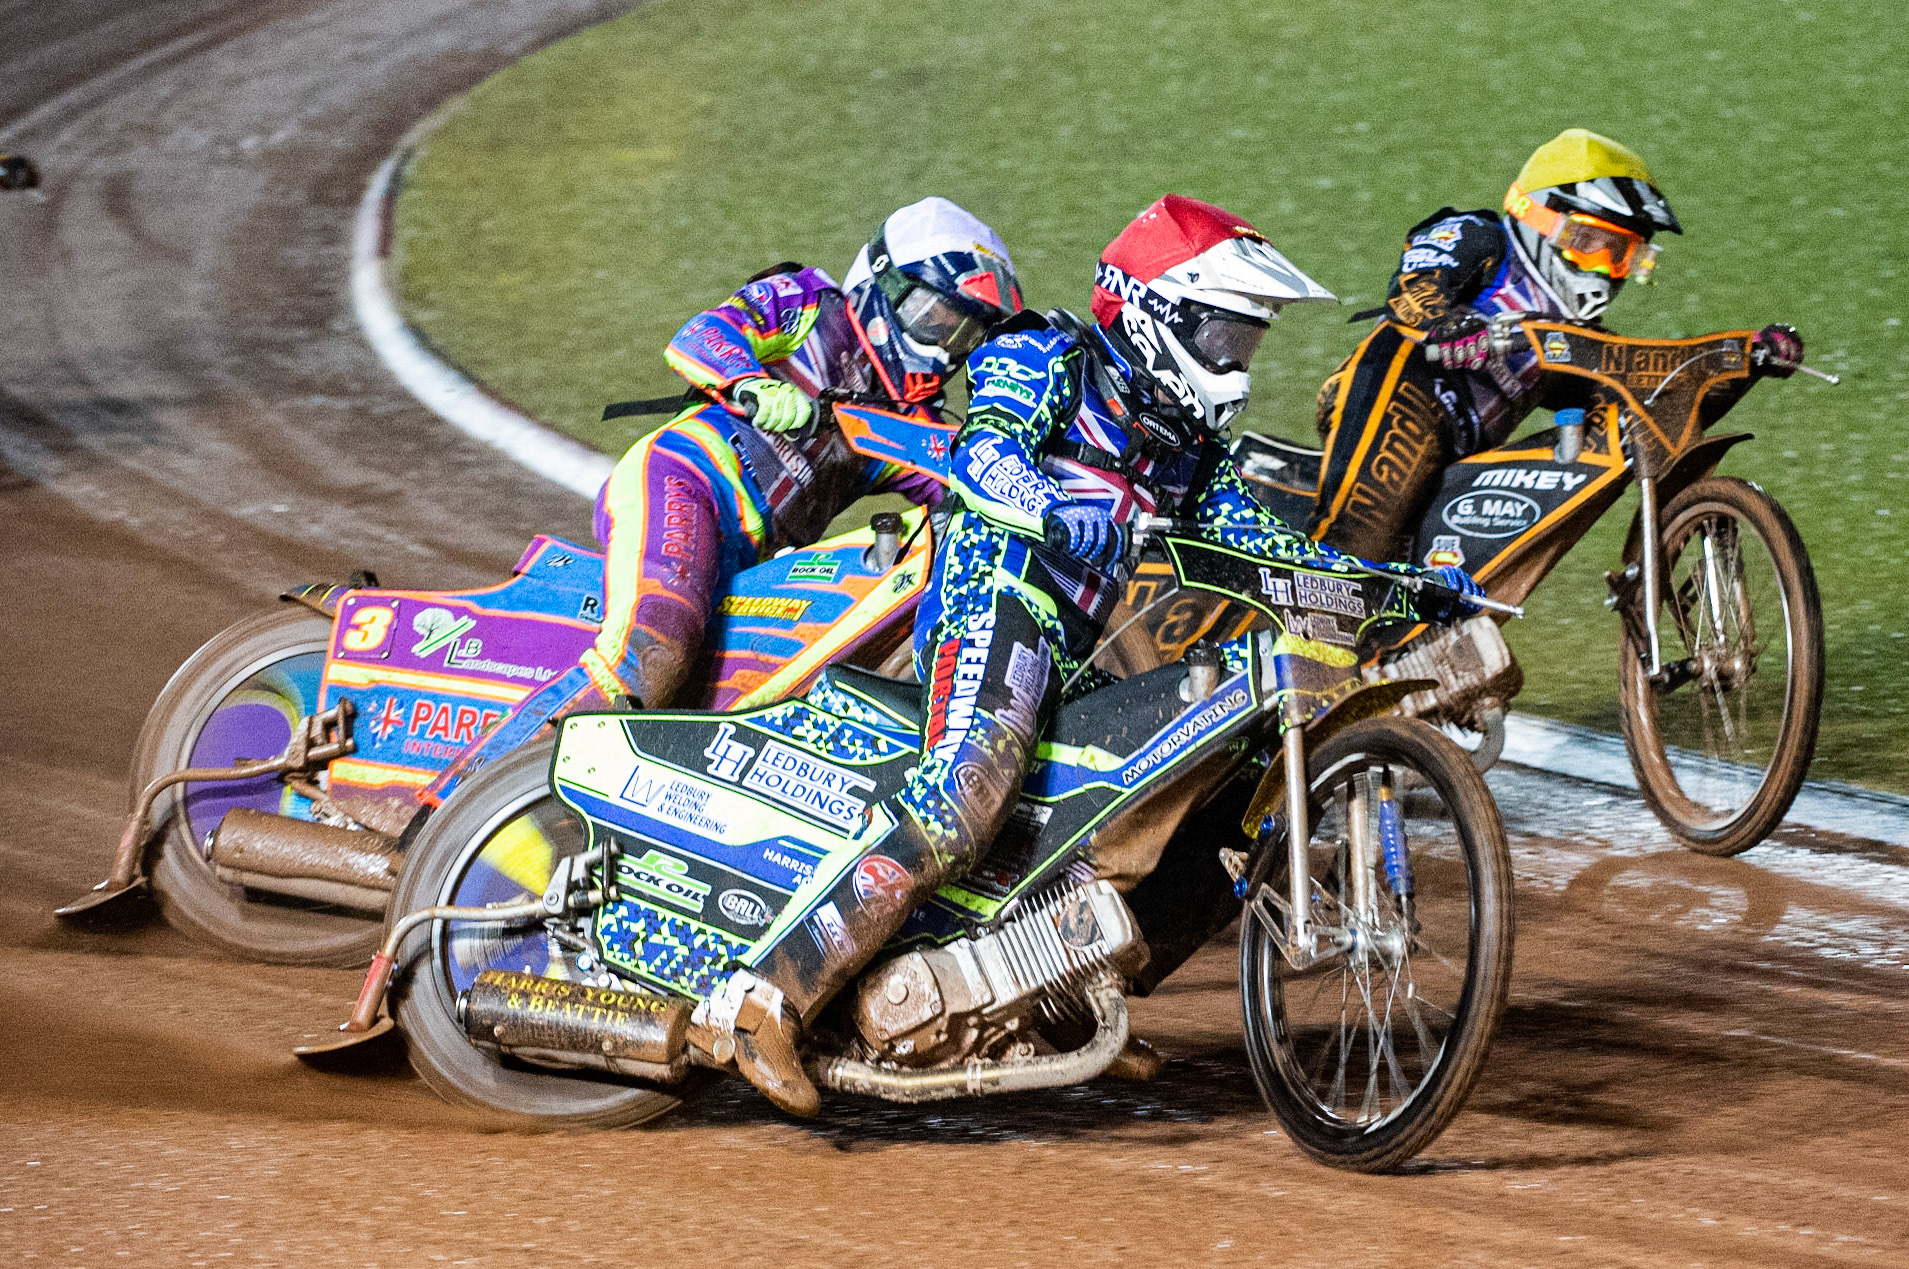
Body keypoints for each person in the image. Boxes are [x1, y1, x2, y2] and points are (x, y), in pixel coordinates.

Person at [694, 195, 1486, 1115]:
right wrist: (1050, 509)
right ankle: (763, 998)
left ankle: (1053, 1003)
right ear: (1156, 315)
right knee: (962, 798)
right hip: (995, 602)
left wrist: (1397, 586)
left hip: (1071, 645)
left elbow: (1264, 549)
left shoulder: (1186, 445)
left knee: (1188, 810)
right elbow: (983, 455)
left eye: (1247, 339)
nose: (1237, 360)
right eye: (1226, 334)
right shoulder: (1045, 355)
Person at [423, 197, 1023, 799]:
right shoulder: (813, 304)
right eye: (935, 319)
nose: (945, 350)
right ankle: (452, 804)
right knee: (654, 651)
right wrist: (752, 383)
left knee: (740, 700)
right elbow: (702, 335)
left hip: (756, 563)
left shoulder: (906, 422)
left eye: (965, 334)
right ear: (882, 285)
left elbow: (973, 483)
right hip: (683, 485)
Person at [1308, 128, 1804, 560]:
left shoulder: (1573, 337)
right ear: (1541, 219)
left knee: (1629, 396)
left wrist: (1745, 357)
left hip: (1464, 446)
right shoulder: (1482, 236)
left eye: (1621, 256)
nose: (1603, 271)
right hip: (1395, 388)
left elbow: (1654, 382)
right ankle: (1311, 612)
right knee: (1358, 538)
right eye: (1589, 245)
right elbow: (1416, 281)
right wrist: (1448, 322)